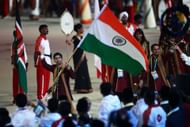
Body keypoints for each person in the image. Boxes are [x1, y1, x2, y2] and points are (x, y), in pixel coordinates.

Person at [68, 23, 92, 93]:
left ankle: (86, 87)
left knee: (84, 70)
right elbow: (70, 43)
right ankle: (79, 87)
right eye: (81, 28)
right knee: (79, 70)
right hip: (77, 56)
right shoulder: (74, 37)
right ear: (78, 29)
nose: (83, 29)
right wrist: (67, 41)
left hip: (83, 55)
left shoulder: (82, 37)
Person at [34, 24, 51, 101]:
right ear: (40, 30)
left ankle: (45, 94)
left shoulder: (46, 39)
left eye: (47, 29)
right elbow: (37, 52)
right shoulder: (39, 39)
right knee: (42, 79)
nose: (46, 30)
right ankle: (40, 96)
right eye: (44, 29)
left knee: (47, 78)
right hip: (42, 60)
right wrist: (36, 62)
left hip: (48, 60)